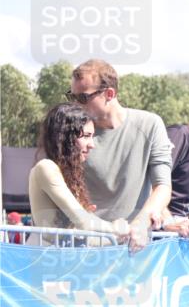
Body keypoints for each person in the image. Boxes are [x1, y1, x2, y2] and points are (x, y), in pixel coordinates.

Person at [68, 59, 173, 251]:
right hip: (85, 248)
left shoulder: (150, 124)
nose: (74, 105)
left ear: (109, 94)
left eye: (82, 98)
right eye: (71, 96)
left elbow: (163, 187)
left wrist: (140, 224)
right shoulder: (71, 133)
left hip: (133, 247)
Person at [28, 103, 129, 246]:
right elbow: (83, 222)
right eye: (86, 136)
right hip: (45, 262)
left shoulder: (64, 173)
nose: (92, 144)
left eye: (92, 136)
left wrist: (121, 234)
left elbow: (81, 227)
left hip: (59, 260)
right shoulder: (46, 167)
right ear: (65, 137)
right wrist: (117, 228)